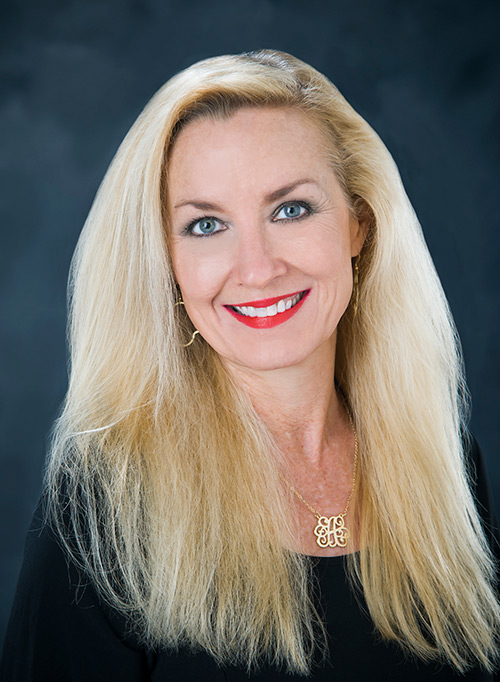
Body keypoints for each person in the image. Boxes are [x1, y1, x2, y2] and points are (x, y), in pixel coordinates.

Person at [1, 49, 499, 681]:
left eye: (290, 209)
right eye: (206, 224)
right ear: (168, 266)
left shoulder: (445, 461)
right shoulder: (106, 506)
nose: (258, 268)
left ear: (359, 226)